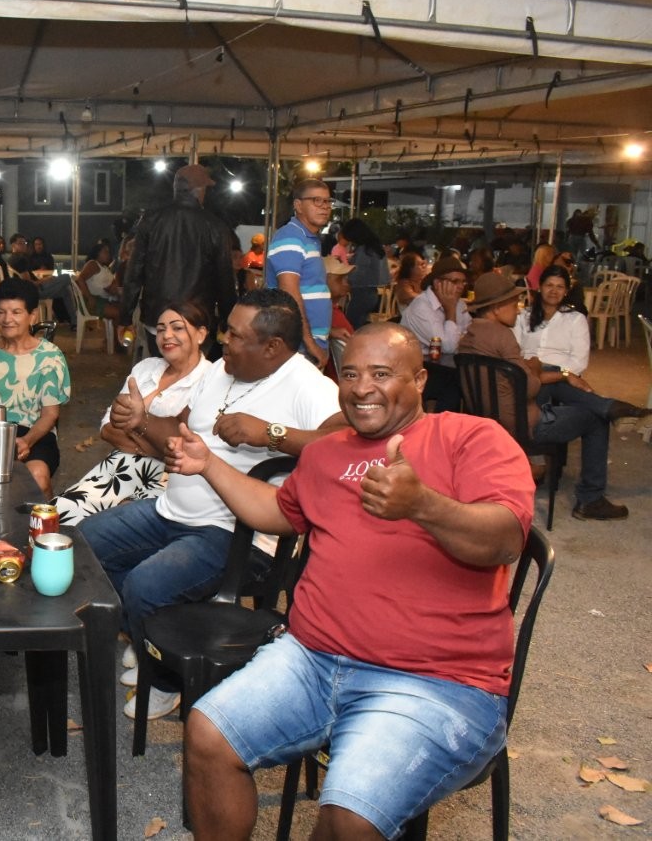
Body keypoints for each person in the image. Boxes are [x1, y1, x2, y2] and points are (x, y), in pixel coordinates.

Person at [179, 322, 537, 841]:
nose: (362, 387)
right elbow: (278, 511)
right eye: (349, 374)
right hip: (311, 659)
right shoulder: (326, 453)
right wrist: (208, 464)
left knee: (351, 816)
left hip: (435, 682)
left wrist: (422, 505)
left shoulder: (470, 438)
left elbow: (505, 540)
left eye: (381, 373)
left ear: (420, 381)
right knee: (208, 735)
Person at [78, 289, 344, 720]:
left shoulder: (307, 384)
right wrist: (142, 421)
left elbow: (345, 440)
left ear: (272, 347)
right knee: (86, 545)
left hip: (238, 534)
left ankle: (168, 679)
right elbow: (181, 427)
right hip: (171, 510)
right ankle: (149, 635)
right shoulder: (222, 369)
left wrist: (270, 433)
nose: (224, 341)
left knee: (145, 585)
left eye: (235, 336)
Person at [458, 274, 648, 521]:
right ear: (496, 308)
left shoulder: (470, 335)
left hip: (487, 419)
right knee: (594, 420)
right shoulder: (503, 336)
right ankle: (590, 499)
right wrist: (535, 369)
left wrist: (556, 373)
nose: (517, 309)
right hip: (520, 423)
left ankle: (609, 407)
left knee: (558, 379)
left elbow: (513, 376)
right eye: (513, 303)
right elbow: (530, 388)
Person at [54, 301, 215, 524]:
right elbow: (107, 428)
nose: (167, 335)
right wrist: (153, 444)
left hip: (173, 480)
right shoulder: (145, 368)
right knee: (58, 513)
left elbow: (185, 448)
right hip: (120, 465)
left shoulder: (211, 380)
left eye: (177, 328)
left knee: (112, 524)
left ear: (201, 334)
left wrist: (136, 430)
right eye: (160, 329)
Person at [0, 278, 71, 497]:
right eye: (1, 312)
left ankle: (44, 519)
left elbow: (50, 414)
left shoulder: (50, 357)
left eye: (16, 312)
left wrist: (26, 441)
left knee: (38, 478)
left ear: (33, 316)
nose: (7, 319)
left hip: (34, 433)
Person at [122, 164, 234, 355]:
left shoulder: (151, 220)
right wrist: (226, 320)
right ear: (199, 190)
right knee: (193, 372)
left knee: (161, 369)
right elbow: (224, 279)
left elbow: (134, 273)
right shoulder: (216, 227)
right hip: (196, 319)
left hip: (157, 318)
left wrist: (125, 318)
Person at [264, 178, 333, 368]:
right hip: (297, 344)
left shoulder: (308, 239)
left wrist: (331, 331)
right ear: (298, 205)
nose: (324, 206)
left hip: (307, 341)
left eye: (327, 201)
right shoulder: (290, 236)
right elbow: (289, 292)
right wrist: (310, 343)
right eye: (316, 200)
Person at [515, 264, 591, 376]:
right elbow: (513, 352)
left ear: (566, 291)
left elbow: (579, 363)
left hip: (562, 375)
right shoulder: (523, 316)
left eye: (560, 287)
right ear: (540, 287)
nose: (554, 291)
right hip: (529, 373)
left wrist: (561, 375)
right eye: (549, 285)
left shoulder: (576, 319)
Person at [400, 254, 471, 360]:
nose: (461, 286)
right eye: (455, 281)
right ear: (437, 283)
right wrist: (450, 310)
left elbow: (471, 336)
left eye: (463, 282)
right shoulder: (421, 307)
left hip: (448, 363)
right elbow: (449, 348)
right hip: (421, 365)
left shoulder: (459, 303)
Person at [339, 217, 390, 328]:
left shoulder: (364, 250)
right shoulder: (375, 247)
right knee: (358, 327)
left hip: (361, 294)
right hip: (372, 293)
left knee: (350, 327)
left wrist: (344, 276)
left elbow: (357, 273)